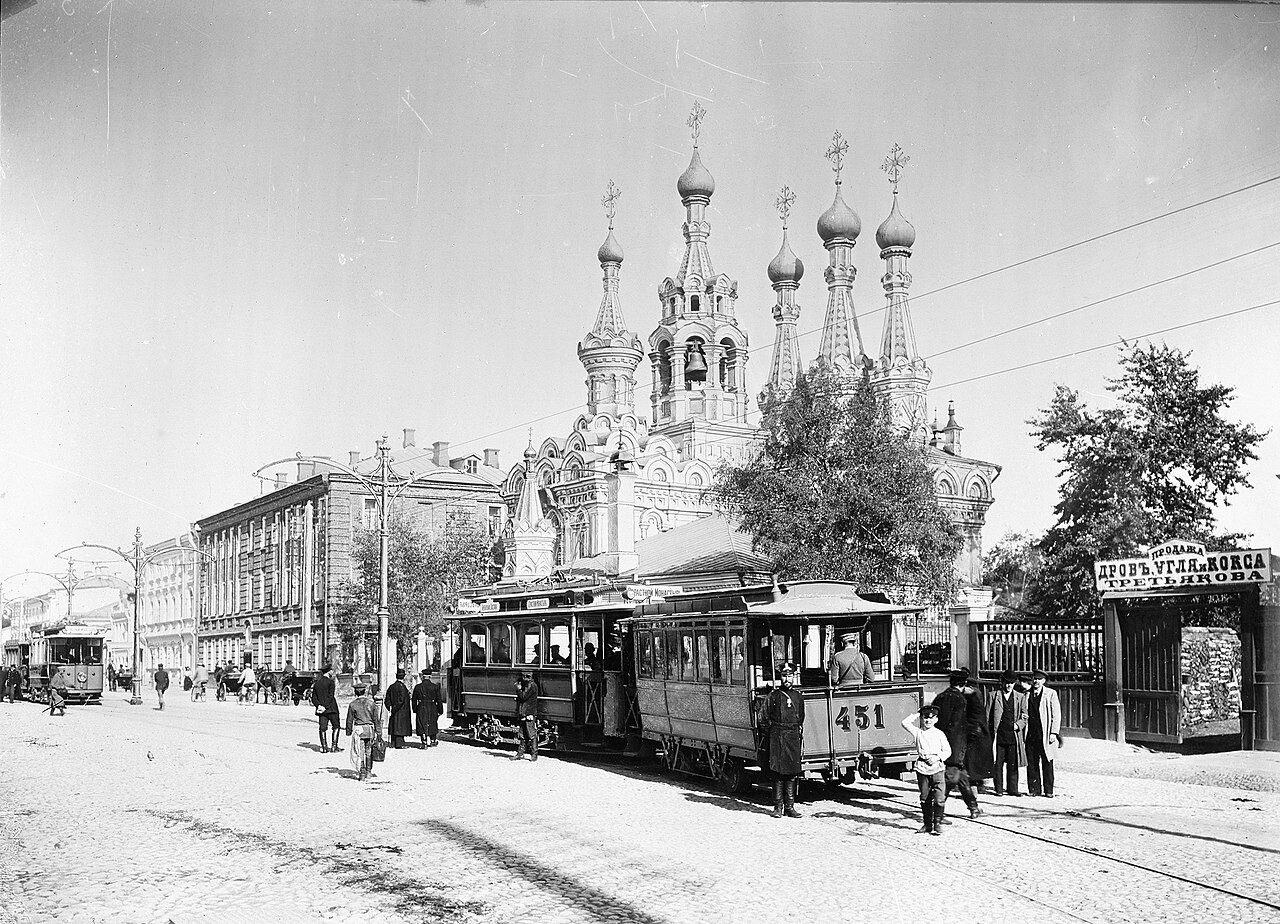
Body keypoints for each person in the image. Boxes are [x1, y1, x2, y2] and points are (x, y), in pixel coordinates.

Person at [932, 670, 982, 819]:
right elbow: (959, 728)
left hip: (940, 745)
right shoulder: (960, 700)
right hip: (955, 746)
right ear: (963, 684)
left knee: (961, 777)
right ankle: (937, 814)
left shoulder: (939, 698)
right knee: (950, 779)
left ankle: (974, 808)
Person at [763, 661, 805, 819]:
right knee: (778, 773)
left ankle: (790, 807)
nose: (787, 679)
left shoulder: (798, 696)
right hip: (778, 736)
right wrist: (772, 734)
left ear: (794, 677)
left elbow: (801, 717)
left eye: (790, 676)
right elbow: (763, 718)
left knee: (792, 772)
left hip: (792, 736)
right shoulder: (774, 696)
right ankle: (777, 807)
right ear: (780, 677)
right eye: (784, 676)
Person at [902, 704, 951, 835]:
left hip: (937, 768)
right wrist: (918, 713)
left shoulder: (939, 734)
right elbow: (905, 723)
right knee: (925, 797)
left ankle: (938, 823)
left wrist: (937, 757)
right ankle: (927, 824)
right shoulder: (918, 732)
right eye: (925, 718)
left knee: (940, 797)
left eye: (931, 718)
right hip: (922, 769)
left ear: (936, 719)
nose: (928, 720)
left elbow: (948, 751)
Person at [987, 668, 1028, 796]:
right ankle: (998, 789)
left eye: (1012, 683)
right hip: (998, 735)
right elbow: (987, 716)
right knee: (997, 764)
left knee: (1013, 763)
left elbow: (1025, 716)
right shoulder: (993, 696)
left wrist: (1018, 725)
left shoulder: (1020, 697)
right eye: (1007, 683)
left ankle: (1013, 789)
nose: (1009, 685)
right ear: (1002, 682)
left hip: (1013, 735)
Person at [1026, 669, 1062, 797]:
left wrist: (1053, 732)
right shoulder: (1027, 694)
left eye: (1039, 679)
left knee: (1047, 761)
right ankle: (1034, 789)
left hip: (1045, 734)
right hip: (1030, 734)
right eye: (1034, 679)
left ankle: (1049, 790)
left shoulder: (1051, 694)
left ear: (1044, 681)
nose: (1036, 681)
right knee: (1031, 762)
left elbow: (1056, 715)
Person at [961, 669, 994, 791]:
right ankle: (975, 782)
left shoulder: (972, 694)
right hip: (978, 731)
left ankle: (973, 785)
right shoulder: (977, 693)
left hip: (974, 732)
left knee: (971, 760)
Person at [345, 682, 383, 782]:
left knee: (360, 752)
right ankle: (369, 771)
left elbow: (349, 720)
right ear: (365, 691)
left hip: (359, 731)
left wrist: (348, 731)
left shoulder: (353, 704)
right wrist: (379, 733)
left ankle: (362, 773)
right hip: (369, 730)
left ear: (355, 692)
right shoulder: (371, 703)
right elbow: (376, 720)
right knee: (368, 751)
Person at [312, 663, 341, 753]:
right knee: (336, 726)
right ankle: (334, 746)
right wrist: (325, 706)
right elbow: (330, 696)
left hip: (321, 711)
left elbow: (314, 698)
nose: (332, 672)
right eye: (331, 671)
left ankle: (324, 747)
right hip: (331, 709)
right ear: (328, 672)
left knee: (322, 728)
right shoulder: (330, 682)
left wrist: (319, 706)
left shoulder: (317, 684)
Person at [412, 670, 444, 748]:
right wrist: (440, 710)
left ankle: (424, 742)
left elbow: (414, 700)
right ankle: (433, 741)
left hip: (421, 706)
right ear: (430, 676)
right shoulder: (435, 687)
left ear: (422, 676)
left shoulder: (418, 687)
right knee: (432, 722)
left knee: (421, 723)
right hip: (432, 707)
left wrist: (415, 709)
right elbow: (439, 700)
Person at [512, 671, 539, 761]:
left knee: (530, 733)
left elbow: (524, 697)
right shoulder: (530, 685)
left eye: (526, 676)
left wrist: (518, 690)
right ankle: (521, 753)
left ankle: (533, 755)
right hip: (525, 712)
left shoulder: (531, 686)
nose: (524, 678)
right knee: (523, 733)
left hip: (528, 713)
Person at [385, 669, 413, 749]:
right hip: (401, 711)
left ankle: (393, 743)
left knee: (394, 726)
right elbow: (401, 700)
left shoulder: (391, 687)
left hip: (394, 710)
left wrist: (390, 707)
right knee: (400, 727)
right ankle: (399, 744)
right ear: (403, 677)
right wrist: (395, 708)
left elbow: (387, 699)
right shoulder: (402, 687)